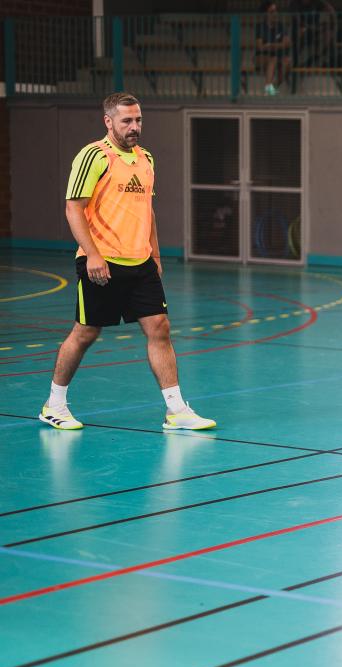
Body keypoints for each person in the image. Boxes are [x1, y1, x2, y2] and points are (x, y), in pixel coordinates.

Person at [40, 93, 215, 432]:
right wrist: (92, 254)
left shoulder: (146, 158)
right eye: (126, 121)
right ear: (109, 122)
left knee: (160, 328)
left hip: (141, 262)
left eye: (138, 120)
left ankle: (176, 410)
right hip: (101, 262)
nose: (134, 127)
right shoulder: (94, 156)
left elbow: (147, 211)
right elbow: (73, 208)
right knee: (85, 333)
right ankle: (54, 405)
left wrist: (155, 254)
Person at [255, 0, 292, 96]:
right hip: (261, 57)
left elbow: (287, 43)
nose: (275, 14)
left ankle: (272, 88)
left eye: (276, 11)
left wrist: (271, 45)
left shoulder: (281, 26)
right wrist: (277, 45)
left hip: (277, 56)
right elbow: (260, 46)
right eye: (272, 12)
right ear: (265, 14)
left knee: (287, 61)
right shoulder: (260, 27)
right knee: (273, 59)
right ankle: (268, 88)